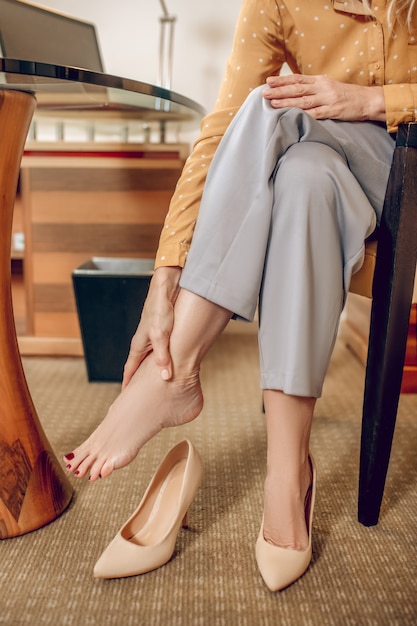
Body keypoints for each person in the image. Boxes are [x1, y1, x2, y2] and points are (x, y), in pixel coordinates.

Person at [64, 0, 417, 590]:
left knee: (271, 108)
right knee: (303, 176)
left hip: (411, 172)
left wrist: (374, 102)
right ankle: (289, 474)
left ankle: (177, 370)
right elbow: (219, 135)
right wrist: (165, 275)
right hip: (338, 178)